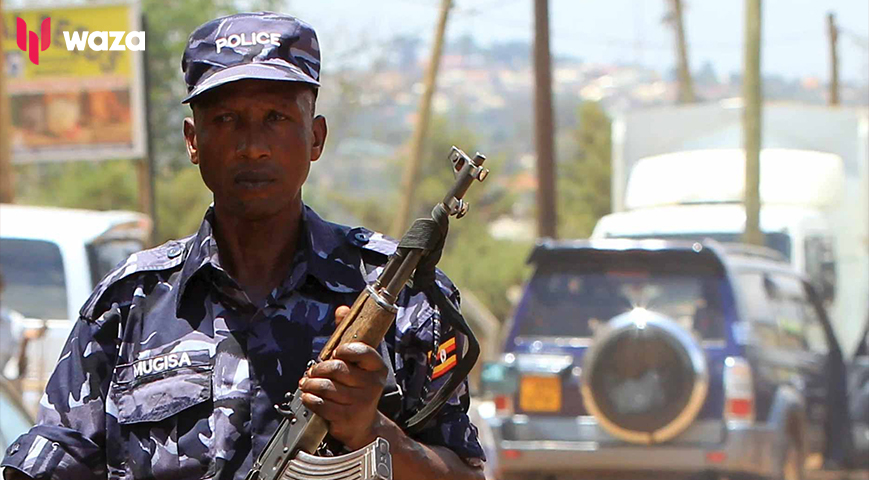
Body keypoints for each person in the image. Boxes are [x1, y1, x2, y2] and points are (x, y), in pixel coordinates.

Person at [1, 12, 484, 480]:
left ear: (315, 138)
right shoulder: (128, 305)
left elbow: (464, 473)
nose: (253, 145)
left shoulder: (404, 300)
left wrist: (371, 430)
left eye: (275, 117)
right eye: (228, 119)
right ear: (194, 141)